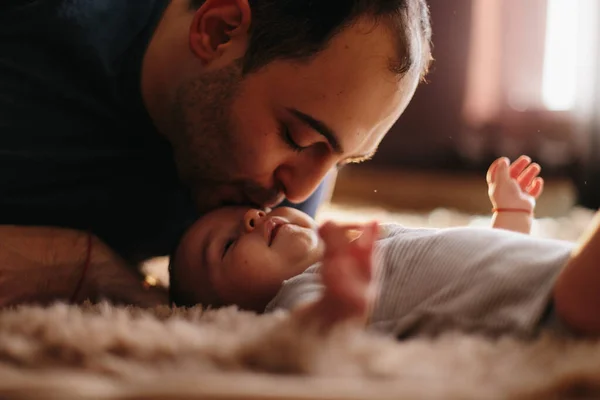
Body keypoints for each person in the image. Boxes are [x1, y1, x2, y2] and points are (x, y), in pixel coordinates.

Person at [0, 0, 432, 306]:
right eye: (296, 137)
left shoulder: (273, 212)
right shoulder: (32, 24)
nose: (299, 191)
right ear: (218, 30)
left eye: (340, 161)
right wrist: (71, 260)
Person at [170, 155, 600, 338]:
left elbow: (491, 266)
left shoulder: (358, 244)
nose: (253, 217)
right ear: (229, 312)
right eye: (226, 246)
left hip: (555, 274)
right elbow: (306, 336)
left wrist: (510, 216)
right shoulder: (300, 292)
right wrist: (341, 304)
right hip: (553, 309)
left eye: (254, 211)